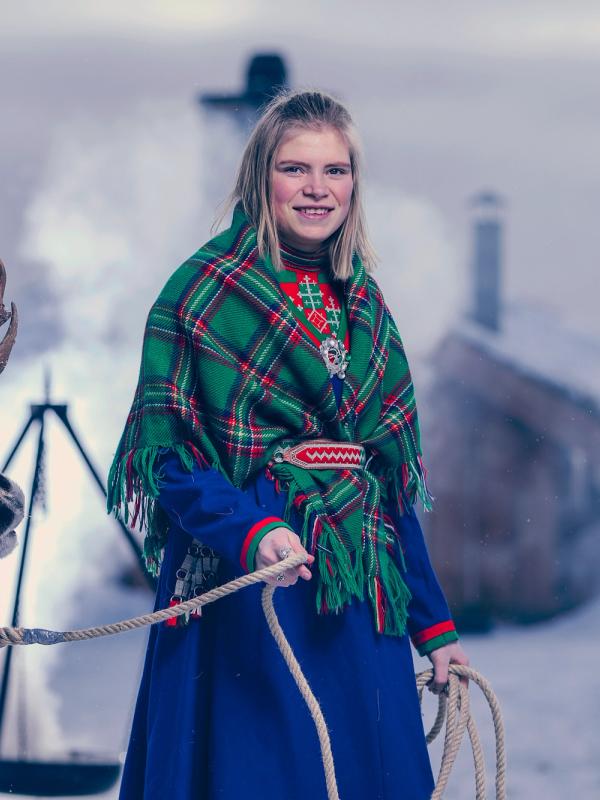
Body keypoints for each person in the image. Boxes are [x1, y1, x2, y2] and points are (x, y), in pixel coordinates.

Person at [107, 88, 469, 800]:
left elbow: (388, 490)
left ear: (354, 185)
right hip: (255, 592)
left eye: (335, 171)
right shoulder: (201, 291)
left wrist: (434, 625)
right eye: (294, 169)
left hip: (361, 600)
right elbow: (172, 463)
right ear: (260, 178)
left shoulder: (368, 308)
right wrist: (253, 532)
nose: (316, 189)